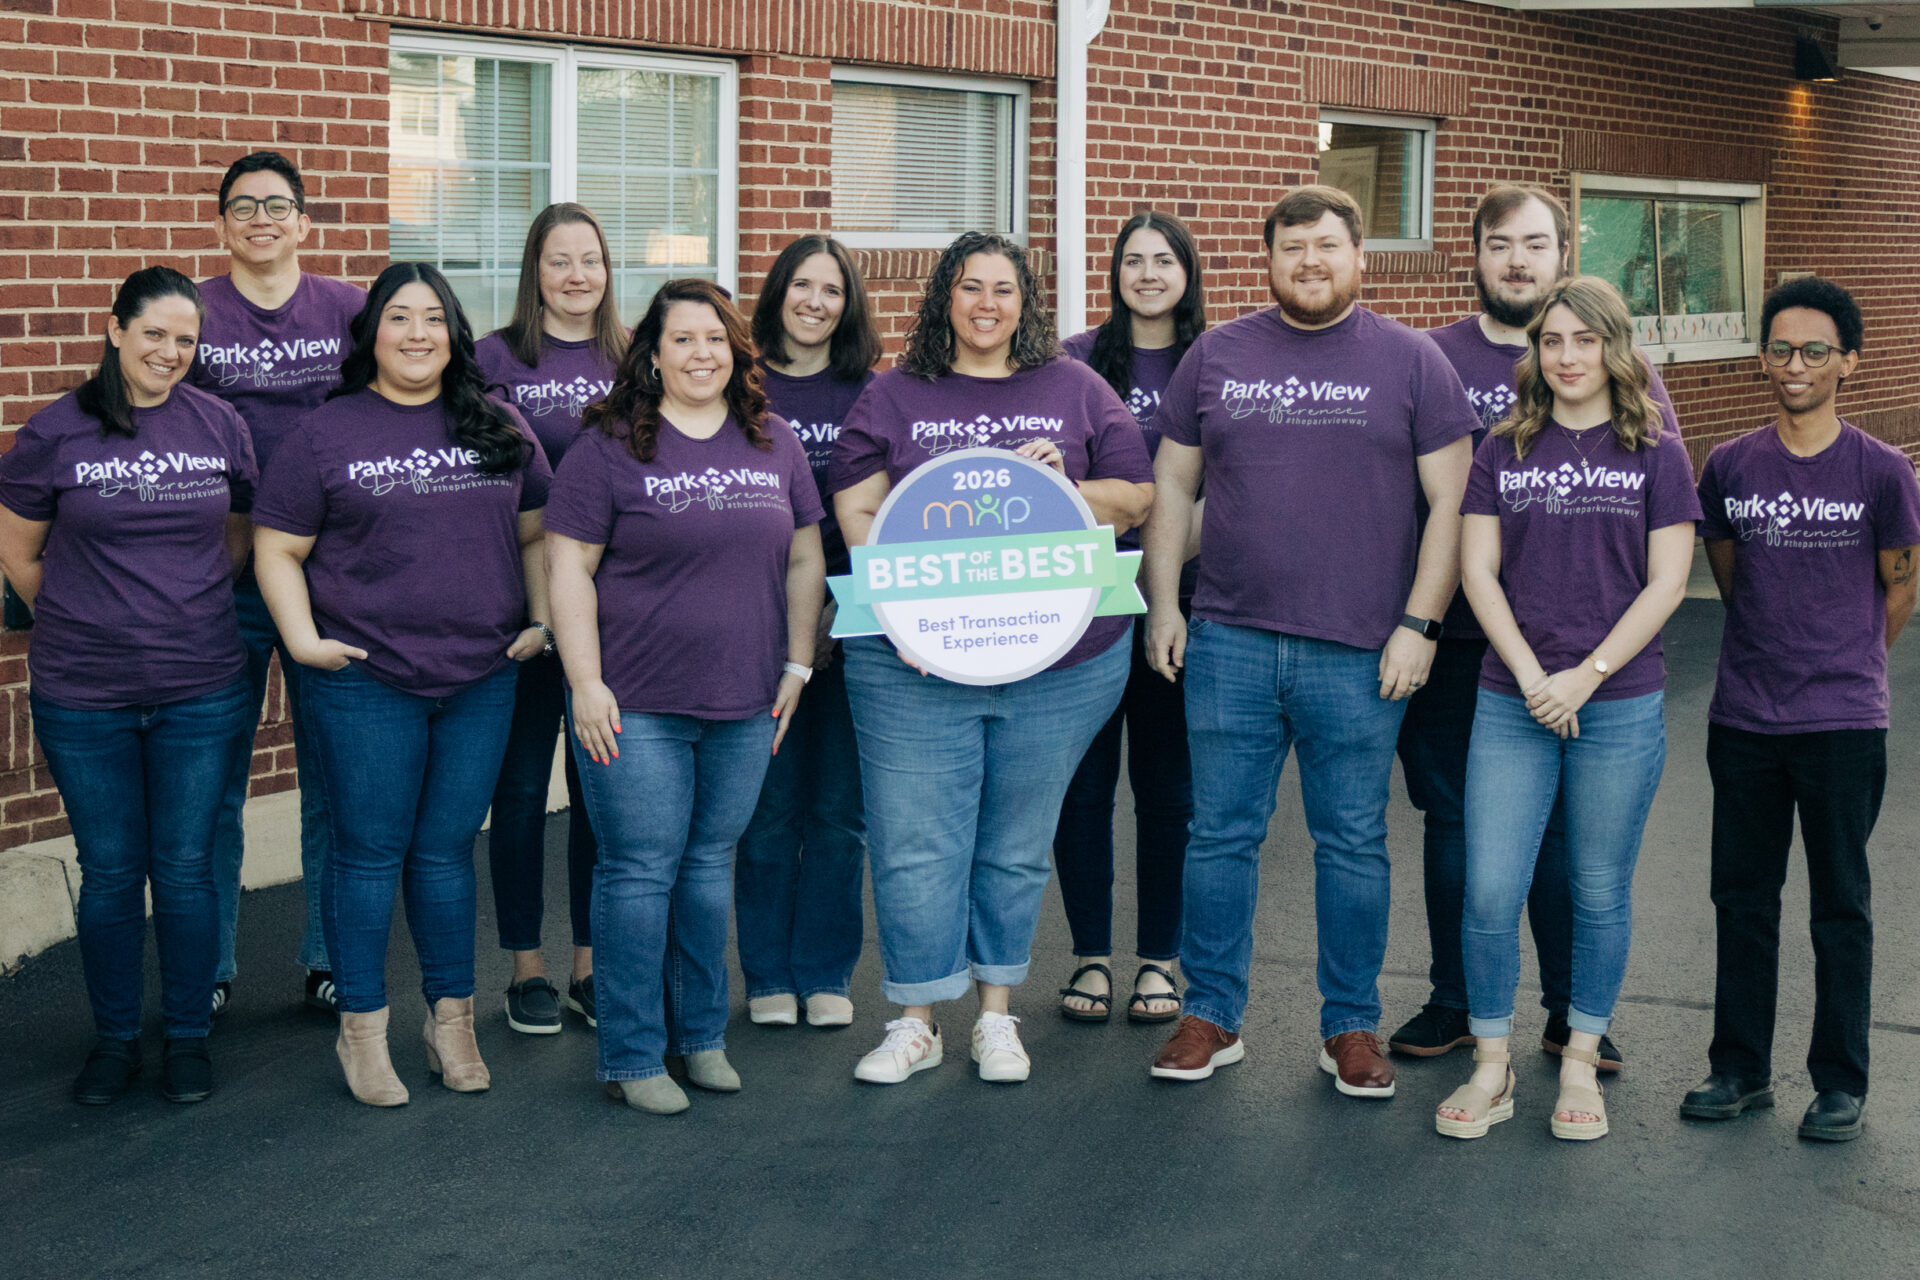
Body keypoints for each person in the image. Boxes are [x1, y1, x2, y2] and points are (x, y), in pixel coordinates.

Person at [1140, 186, 1477, 1096]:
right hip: (1230, 640)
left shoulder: (1413, 360)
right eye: (1292, 248)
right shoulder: (1217, 353)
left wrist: (1421, 623)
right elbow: (1171, 486)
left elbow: (1453, 501)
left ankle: (1350, 1026)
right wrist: (1164, 605)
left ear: (1360, 256)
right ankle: (1210, 1014)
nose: (1310, 262)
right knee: (1218, 837)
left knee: (1353, 844)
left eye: (1327, 245)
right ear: (1269, 260)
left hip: (1359, 649)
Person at [831, 232, 1155, 1087]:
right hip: (912, 666)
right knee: (914, 845)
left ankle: (996, 1016)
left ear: (1026, 302)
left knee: (1015, 844)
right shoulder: (893, 394)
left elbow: (1136, 498)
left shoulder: (1075, 388)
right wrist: (903, 611)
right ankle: (916, 1022)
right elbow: (857, 511)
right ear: (945, 296)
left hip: (1058, 664)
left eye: (1003, 289)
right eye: (970, 287)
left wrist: (1064, 488)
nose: (986, 304)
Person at [1391, 184, 1681, 1073]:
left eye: (1535, 244)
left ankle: (1569, 1013)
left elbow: (1662, 545)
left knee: (1574, 851)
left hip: (1593, 659)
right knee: (1460, 834)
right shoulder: (1433, 358)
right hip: (1469, 649)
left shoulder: (1639, 405)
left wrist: (1588, 672)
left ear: (1563, 256)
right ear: (1475, 254)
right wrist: (1418, 623)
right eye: (1499, 244)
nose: (1516, 260)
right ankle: (1457, 1003)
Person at [252, 263, 552, 1107]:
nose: (417, 333)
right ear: (371, 334)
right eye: (398, 317)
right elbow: (276, 547)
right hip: (366, 680)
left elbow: (537, 533)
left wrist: (541, 621)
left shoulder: (499, 424)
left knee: (447, 852)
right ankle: (363, 1030)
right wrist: (303, 642)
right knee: (368, 853)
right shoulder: (325, 432)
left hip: (481, 677)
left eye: (433, 318)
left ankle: (450, 1021)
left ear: (455, 334)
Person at [546, 278, 826, 1116]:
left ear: (736, 351)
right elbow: (568, 568)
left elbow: (804, 558)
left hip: (745, 699)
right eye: (682, 339)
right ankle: (632, 1054)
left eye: (715, 339)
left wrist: (798, 665)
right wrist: (585, 682)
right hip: (634, 704)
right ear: (653, 355)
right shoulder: (606, 447)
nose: (701, 354)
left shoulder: (773, 440)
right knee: (638, 874)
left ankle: (699, 1038)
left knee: (706, 872)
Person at [1436, 276, 1700, 1141]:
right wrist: (1532, 677)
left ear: (1615, 348)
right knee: (1489, 888)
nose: (1567, 356)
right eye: (1552, 341)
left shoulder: (1656, 449)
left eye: (1584, 340)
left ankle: (1580, 1058)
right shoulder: (1504, 445)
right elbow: (1477, 571)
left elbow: (1668, 583)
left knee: (1596, 888)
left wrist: (1586, 675)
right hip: (1512, 700)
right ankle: (1492, 1064)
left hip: (1617, 700)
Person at [0, 267, 258, 1104]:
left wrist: (179, 607)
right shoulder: (56, 430)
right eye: (154, 334)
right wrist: (88, 616)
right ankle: (114, 1041)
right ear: (115, 331)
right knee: (111, 872)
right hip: (84, 693)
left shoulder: (219, 423)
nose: (170, 352)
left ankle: (186, 1036)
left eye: (186, 340)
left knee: (184, 868)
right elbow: (19, 553)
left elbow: (237, 536)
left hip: (200, 685)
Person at [1682, 278, 1920, 1142]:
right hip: (1745, 717)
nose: (1795, 364)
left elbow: (1899, 589)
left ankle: (1840, 1082)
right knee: (1743, 899)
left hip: (1843, 724)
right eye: (1781, 348)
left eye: (1816, 350)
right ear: (1762, 357)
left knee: (1840, 905)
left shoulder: (1883, 471)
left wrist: (1845, 659)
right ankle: (1739, 1069)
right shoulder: (1730, 465)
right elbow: (1729, 570)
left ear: (1848, 362)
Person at [192, 150, 366, 1019]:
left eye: (277, 205)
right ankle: (206, 968)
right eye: (243, 205)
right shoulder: (192, 313)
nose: (260, 219)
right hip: (221, 576)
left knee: (332, 779)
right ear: (222, 224)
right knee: (211, 783)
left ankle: (330, 959)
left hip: (327, 573)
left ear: (303, 222)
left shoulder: (351, 310)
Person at [475, 203, 626, 1036]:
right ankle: (526, 968)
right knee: (523, 789)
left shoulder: (636, 355)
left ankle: (589, 967)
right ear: (535, 269)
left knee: (600, 792)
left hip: (618, 611)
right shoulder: (493, 359)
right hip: (523, 605)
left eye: (590, 260)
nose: (576, 275)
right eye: (560, 260)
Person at [1052, 211, 1205, 1026]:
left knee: (1166, 787)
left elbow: (1224, 481)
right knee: (1084, 787)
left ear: (1187, 272)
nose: (1148, 275)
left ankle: (1158, 958)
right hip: (1088, 601)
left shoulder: (1212, 358)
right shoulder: (1074, 361)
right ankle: (1090, 954)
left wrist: (1162, 563)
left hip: (1184, 598)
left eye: (1164, 260)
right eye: (1133, 260)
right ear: (1114, 273)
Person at [734, 235, 881, 1031]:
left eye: (831, 290)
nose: (815, 302)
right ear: (778, 292)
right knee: (767, 809)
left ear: (848, 303)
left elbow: (892, 508)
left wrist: (835, 610)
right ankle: (766, 975)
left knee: (839, 811)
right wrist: (793, 620)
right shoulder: (740, 383)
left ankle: (825, 971)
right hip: (757, 623)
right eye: (801, 285)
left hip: (855, 621)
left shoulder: (873, 392)